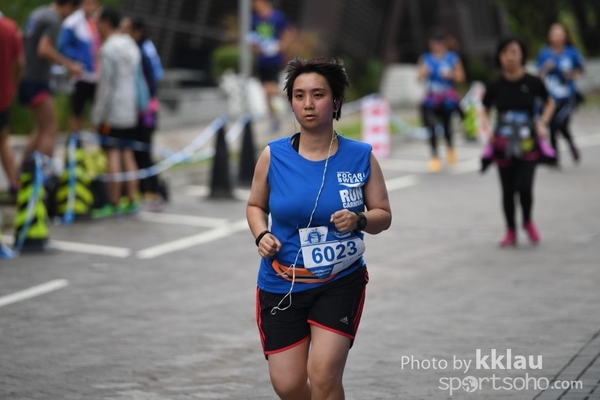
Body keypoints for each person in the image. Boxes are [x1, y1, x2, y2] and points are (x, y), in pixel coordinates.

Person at [246, 57, 392, 400]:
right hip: (281, 283)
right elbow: (255, 206)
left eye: (318, 94)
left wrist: (359, 219)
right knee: (289, 385)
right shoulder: (273, 155)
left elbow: (383, 214)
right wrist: (262, 234)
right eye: (299, 96)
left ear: (336, 101)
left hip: (339, 281)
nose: (308, 104)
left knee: (324, 375)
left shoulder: (361, 156)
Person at [480, 37, 555, 247]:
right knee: (507, 189)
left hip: (527, 142)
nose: (509, 57)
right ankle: (510, 230)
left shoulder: (533, 82)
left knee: (525, 186)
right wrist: (487, 129)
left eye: (514, 52)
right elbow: (483, 108)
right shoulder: (495, 84)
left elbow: (550, 103)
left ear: (521, 55)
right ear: (499, 57)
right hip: (502, 143)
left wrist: (543, 123)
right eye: (505, 53)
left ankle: (528, 221)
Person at [92, 7, 142, 215]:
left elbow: (106, 86)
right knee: (127, 152)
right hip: (130, 107)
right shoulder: (130, 44)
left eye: (97, 20)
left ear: (106, 22)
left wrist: (97, 115)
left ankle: (113, 202)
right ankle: (132, 199)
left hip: (113, 109)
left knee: (112, 153)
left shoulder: (109, 48)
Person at [19, 0, 82, 162]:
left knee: (41, 129)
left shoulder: (38, 13)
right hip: (37, 79)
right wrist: (69, 65)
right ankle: (45, 172)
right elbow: (44, 49)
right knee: (50, 129)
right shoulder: (53, 19)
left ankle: (22, 171)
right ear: (69, 5)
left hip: (25, 76)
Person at [121, 16, 165, 211]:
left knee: (143, 152)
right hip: (146, 108)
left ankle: (153, 191)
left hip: (145, 111)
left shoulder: (140, 51)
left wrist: (144, 104)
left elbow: (151, 81)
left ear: (137, 31)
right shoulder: (145, 47)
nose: (123, 33)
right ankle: (149, 191)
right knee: (142, 151)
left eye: (127, 29)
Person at [417, 27, 466, 172]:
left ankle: (450, 148)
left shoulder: (452, 58)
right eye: (434, 43)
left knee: (447, 125)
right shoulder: (426, 58)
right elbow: (418, 77)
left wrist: (450, 74)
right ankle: (434, 156)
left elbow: (461, 77)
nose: (436, 46)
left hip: (447, 99)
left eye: (439, 43)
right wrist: (424, 72)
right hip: (431, 98)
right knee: (431, 127)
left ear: (444, 43)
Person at [536, 23, 584, 166]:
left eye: (559, 34)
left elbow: (580, 70)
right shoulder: (545, 53)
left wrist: (571, 75)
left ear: (564, 36)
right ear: (550, 37)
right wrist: (546, 67)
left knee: (560, 124)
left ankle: (571, 144)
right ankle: (554, 157)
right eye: (554, 34)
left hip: (568, 97)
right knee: (552, 125)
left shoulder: (572, 52)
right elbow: (538, 74)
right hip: (551, 98)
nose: (557, 37)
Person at [57, 0, 102, 133]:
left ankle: (97, 140)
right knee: (77, 111)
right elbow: (63, 46)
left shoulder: (99, 20)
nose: (89, 6)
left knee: (98, 110)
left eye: (92, 3)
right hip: (81, 74)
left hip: (97, 74)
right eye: (86, 3)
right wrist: (77, 59)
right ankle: (74, 140)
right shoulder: (73, 21)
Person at [250, 0, 294, 133]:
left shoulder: (277, 17)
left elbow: (289, 32)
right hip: (262, 59)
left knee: (269, 90)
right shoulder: (254, 19)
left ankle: (292, 97)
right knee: (266, 93)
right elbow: (251, 37)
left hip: (274, 59)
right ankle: (275, 119)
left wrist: (281, 46)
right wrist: (255, 47)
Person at [0, 11, 24, 195]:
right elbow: (21, 62)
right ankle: (15, 185)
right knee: (3, 140)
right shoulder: (10, 28)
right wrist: (14, 85)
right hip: (3, 94)